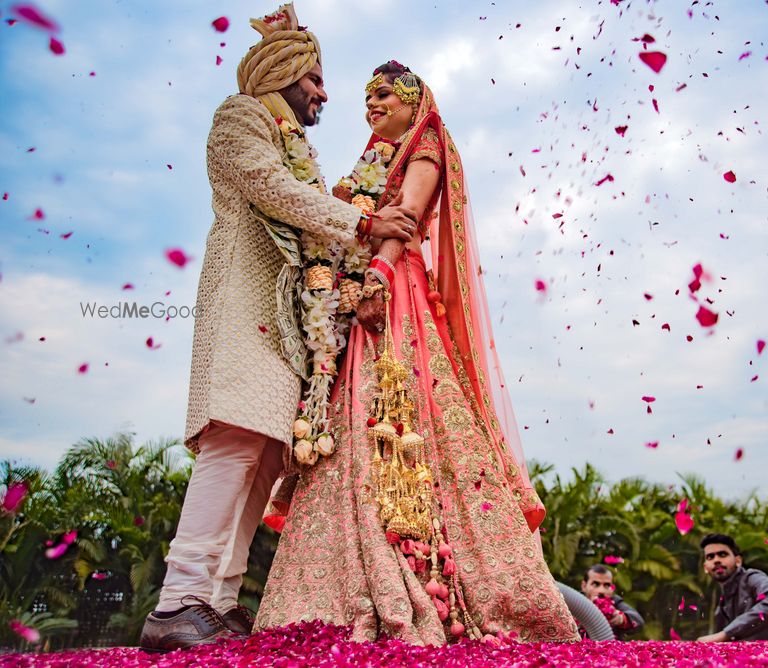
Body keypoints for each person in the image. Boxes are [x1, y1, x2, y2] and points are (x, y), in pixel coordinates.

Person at [253, 61, 579, 645]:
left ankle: (431, 576)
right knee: (356, 418)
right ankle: (346, 582)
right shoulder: (372, 160)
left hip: (394, 288)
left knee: (399, 415)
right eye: (366, 97)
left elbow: (400, 226)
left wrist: (374, 276)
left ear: (411, 100)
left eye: (381, 95)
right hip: (366, 294)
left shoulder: (423, 141)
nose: (370, 106)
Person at [138, 4, 416, 653]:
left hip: (291, 322)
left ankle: (218, 601)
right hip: (245, 305)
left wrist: (368, 270)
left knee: (265, 451)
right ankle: (178, 598)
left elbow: (316, 226)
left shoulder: (304, 152)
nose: (323, 92)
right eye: (314, 78)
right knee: (234, 440)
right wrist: (364, 224)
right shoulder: (241, 118)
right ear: (282, 72)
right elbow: (270, 190)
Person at [697, 533, 768, 642]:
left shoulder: (752, 578)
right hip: (753, 658)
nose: (716, 560)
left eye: (723, 554)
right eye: (710, 557)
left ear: (738, 561)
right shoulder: (721, 610)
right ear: (705, 567)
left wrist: (726, 634)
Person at [579, 565, 645, 639]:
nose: (601, 590)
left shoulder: (615, 602)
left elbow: (638, 620)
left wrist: (621, 619)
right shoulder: (574, 602)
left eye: (606, 586)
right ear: (584, 586)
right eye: (595, 584)